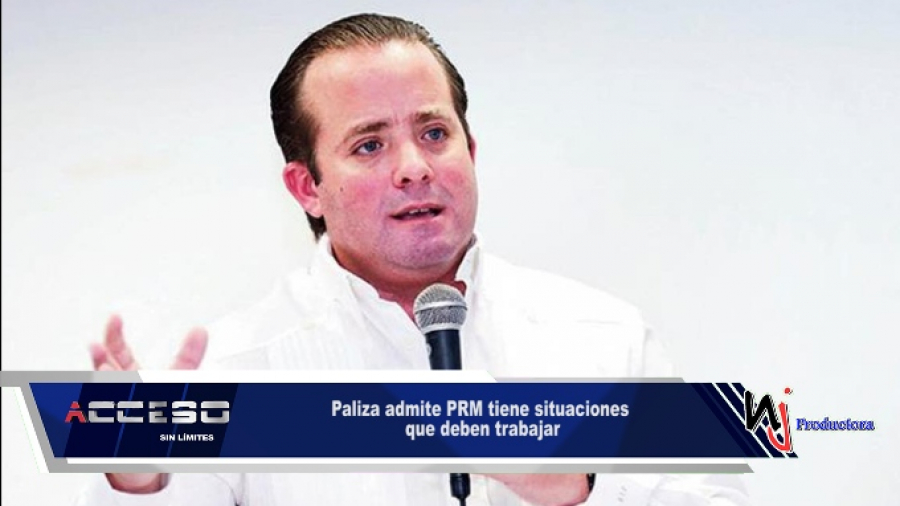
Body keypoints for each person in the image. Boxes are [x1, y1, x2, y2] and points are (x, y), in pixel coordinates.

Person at [80, 13, 749, 506]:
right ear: (307, 187)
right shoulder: (229, 372)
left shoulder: (605, 337)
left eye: (433, 133)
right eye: (369, 146)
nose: (414, 168)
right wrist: (135, 481)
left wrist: (576, 486)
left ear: (471, 151)